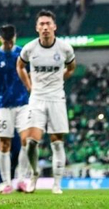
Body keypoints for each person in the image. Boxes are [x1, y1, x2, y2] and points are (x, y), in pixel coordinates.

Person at [17, 10, 76, 195]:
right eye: (41, 24)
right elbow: (20, 66)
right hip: (37, 98)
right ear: (37, 28)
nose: (45, 27)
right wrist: (29, 86)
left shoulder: (65, 48)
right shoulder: (29, 48)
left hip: (57, 98)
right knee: (31, 141)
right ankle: (34, 174)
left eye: (48, 23)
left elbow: (71, 67)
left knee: (57, 143)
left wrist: (60, 79)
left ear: (54, 26)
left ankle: (57, 184)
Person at [0, 25, 30, 194]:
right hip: (3, 105)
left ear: (15, 38)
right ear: (1, 39)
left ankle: (21, 179)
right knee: (4, 144)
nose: (9, 44)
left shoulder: (22, 54)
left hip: (23, 103)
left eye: (11, 41)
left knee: (27, 140)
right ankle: (6, 182)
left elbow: (29, 76)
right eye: (6, 41)